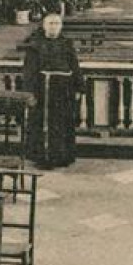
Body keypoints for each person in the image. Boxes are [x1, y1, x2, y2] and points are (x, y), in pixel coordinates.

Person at [23, 14, 84, 168]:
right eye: (50, 23)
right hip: (43, 90)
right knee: (42, 123)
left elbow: (74, 65)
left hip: (64, 90)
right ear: (44, 26)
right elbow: (29, 72)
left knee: (62, 123)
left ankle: (62, 156)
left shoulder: (67, 44)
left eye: (56, 23)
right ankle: (43, 158)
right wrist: (29, 93)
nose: (53, 26)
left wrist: (79, 87)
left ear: (61, 26)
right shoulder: (35, 45)